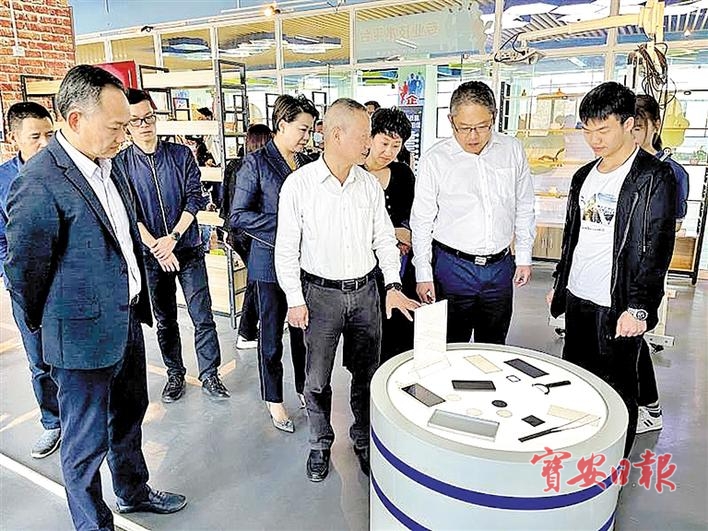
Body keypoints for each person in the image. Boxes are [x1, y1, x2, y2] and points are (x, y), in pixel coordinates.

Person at [4, 65, 187, 530]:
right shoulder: (40, 181)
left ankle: (133, 491)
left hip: (124, 321)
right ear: (75, 119)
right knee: (85, 443)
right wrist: (51, 330)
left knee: (129, 416)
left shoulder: (109, 166)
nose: (124, 137)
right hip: (78, 337)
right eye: (116, 127)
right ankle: (93, 524)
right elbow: (24, 272)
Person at [275, 98, 419, 481]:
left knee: (367, 374)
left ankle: (363, 440)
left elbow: (384, 239)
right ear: (337, 135)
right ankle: (320, 443)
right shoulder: (299, 185)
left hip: (366, 294)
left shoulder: (367, 185)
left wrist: (392, 284)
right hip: (319, 296)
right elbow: (286, 249)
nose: (369, 143)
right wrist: (294, 299)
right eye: (364, 135)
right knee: (317, 379)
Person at [547, 81, 676, 458]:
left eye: (603, 130)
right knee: (577, 382)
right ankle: (579, 456)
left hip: (619, 303)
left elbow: (657, 247)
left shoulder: (652, 176)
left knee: (619, 391)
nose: (594, 139)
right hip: (579, 296)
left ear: (629, 124)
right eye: (588, 130)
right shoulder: (583, 176)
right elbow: (572, 236)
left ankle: (613, 465)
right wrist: (560, 281)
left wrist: (640, 307)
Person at [114, 88, 230, 403]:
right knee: (165, 319)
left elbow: (195, 198)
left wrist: (173, 238)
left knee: (202, 315)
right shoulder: (121, 165)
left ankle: (210, 374)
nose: (144, 125)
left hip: (187, 248)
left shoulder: (180, 155)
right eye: (136, 121)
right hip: (152, 256)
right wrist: (156, 246)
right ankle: (175, 373)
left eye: (149, 117)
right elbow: (129, 213)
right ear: (127, 125)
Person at [410, 81, 536, 345]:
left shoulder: (512, 150)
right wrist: (423, 273)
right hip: (452, 267)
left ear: (494, 117)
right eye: (464, 128)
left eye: (482, 126)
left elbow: (524, 205)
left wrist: (524, 256)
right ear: (451, 120)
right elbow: (421, 221)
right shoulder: (436, 159)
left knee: (493, 345)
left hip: (500, 267)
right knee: (449, 345)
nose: (473, 136)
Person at [231, 95, 317, 433]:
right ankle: (274, 399)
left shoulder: (306, 163)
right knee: (270, 336)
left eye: (310, 130)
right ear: (281, 125)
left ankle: (304, 389)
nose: (307, 137)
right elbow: (238, 216)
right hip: (268, 263)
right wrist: (286, 225)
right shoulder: (256, 164)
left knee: (303, 333)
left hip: (304, 263)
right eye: (302, 129)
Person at [0, 102, 61, 459]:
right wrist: (13, 276)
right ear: (14, 139)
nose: (44, 143)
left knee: (76, 358)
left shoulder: (64, 171)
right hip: (27, 290)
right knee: (39, 360)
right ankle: (52, 422)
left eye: (50, 134)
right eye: (35, 136)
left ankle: (85, 420)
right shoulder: (3, 181)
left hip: (66, 285)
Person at [631, 93, 690, 434]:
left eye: (639, 127)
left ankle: (650, 407)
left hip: (644, 271)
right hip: (616, 269)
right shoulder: (623, 165)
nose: (634, 135)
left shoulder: (671, 172)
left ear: (655, 125)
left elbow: (670, 230)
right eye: (629, 127)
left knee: (634, 338)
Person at [363, 107, 416, 362]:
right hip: (365, 271)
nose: (389, 152)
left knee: (401, 330)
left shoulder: (403, 174)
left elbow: (411, 219)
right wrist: (394, 232)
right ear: (370, 137)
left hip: (401, 267)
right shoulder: (355, 173)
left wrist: (404, 233)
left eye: (396, 146)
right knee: (368, 335)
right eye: (384, 143)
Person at [221, 123, 272, 349]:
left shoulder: (234, 166)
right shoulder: (259, 168)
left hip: (236, 234)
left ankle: (252, 328)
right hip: (252, 236)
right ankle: (246, 333)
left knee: (256, 281)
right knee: (255, 282)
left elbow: (225, 203)